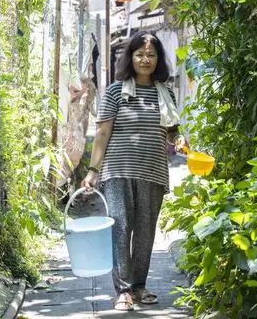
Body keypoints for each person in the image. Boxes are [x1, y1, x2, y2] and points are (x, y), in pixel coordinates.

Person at [81, 30, 188, 312]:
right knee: (120, 228)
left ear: (158, 59)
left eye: (151, 55)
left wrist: (181, 142)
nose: (145, 59)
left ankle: (139, 286)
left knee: (144, 233)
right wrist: (93, 170)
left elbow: (172, 135)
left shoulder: (166, 93)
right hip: (117, 170)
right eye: (139, 54)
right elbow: (102, 133)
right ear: (131, 57)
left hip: (153, 172)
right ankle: (123, 290)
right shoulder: (116, 90)